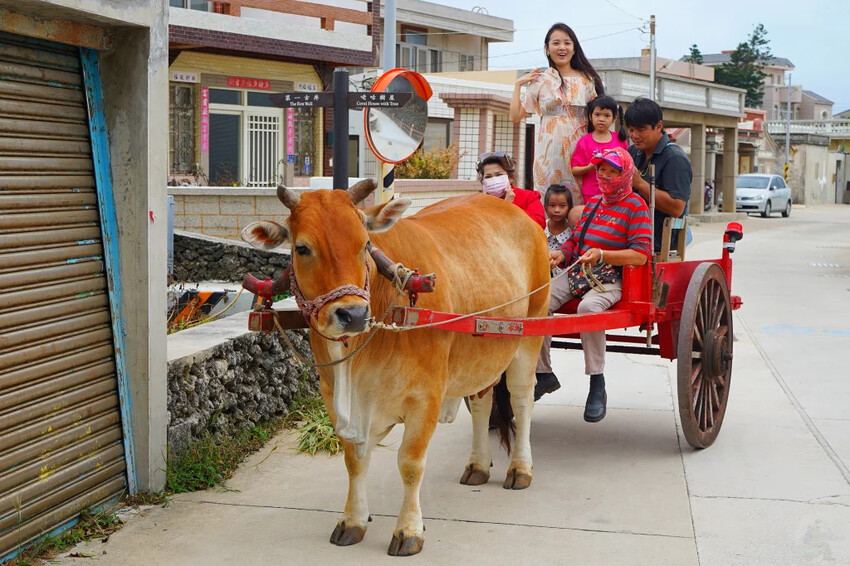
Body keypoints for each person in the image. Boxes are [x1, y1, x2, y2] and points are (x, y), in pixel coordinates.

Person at [534, 147, 652, 422]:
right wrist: (561, 253)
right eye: (602, 170)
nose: (606, 176)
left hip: (611, 278)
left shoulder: (636, 206)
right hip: (579, 272)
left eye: (613, 171)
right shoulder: (594, 204)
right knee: (538, 300)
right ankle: (543, 374)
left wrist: (603, 254)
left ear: (625, 175)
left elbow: (640, 254)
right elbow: (576, 241)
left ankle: (597, 383)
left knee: (588, 310)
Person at [509, 23, 604, 203]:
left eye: (567, 43)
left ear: (574, 48)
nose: (562, 48)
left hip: (580, 152)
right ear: (547, 49)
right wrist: (517, 86)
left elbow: (600, 117)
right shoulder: (539, 81)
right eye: (556, 43)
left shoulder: (587, 81)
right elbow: (515, 116)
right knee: (551, 205)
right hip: (548, 155)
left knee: (580, 205)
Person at [625, 97, 693, 253]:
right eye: (631, 129)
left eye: (640, 130)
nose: (634, 135)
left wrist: (640, 184)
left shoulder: (675, 158)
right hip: (630, 226)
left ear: (659, 126)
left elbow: (677, 208)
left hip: (658, 235)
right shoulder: (633, 152)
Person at [570, 95, 629, 204]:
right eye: (597, 114)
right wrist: (590, 167)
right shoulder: (584, 141)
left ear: (614, 118)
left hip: (616, 193)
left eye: (607, 115)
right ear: (590, 116)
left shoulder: (620, 140)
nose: (601, 119)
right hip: (591, 193)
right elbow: (574, 170)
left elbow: (628, 167)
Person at [477, 151, 545, 228]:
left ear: (510, 178)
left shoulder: (529, 197)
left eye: (499, 175)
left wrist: (509, 207)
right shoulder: (478, 203)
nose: (494, 179)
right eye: (488, 177)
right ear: (483, 181)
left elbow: (539, 224)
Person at [543, 183, 576, 279]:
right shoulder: (540, 228)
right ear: (545, 207)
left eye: (562, 206)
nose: (557, 210)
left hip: (564, 280)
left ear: (570, 208)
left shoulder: (572, 234)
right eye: (552, 205)